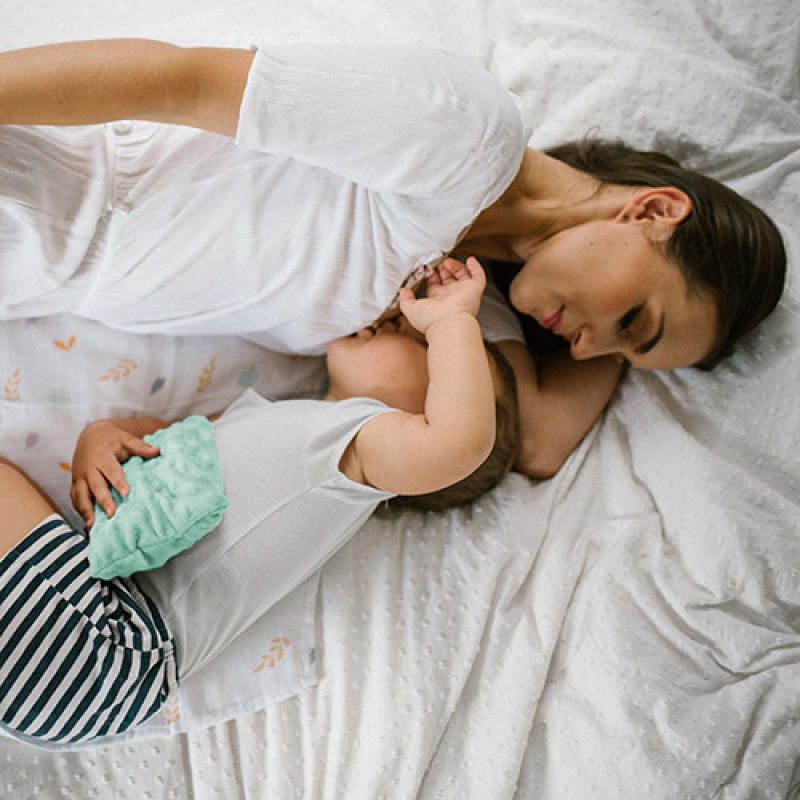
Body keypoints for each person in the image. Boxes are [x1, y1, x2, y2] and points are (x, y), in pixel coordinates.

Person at [0, 39, 786, 478]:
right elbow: (182, 82)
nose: (588, 349)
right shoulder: (465, 135)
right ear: (655, 209)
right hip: (44, 193)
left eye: (612, 354)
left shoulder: (456, 301)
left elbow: (538, 442)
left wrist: (621, 340)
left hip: (33, 280)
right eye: (634, 320)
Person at [0, 257, 520, 747]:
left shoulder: (355, 452)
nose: (402, 319)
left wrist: (452, 323)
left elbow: (460, 442)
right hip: (91, 649)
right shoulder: (286, 420)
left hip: (107, 644)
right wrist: (101, 436)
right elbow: (168, 443)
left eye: (424, 344)